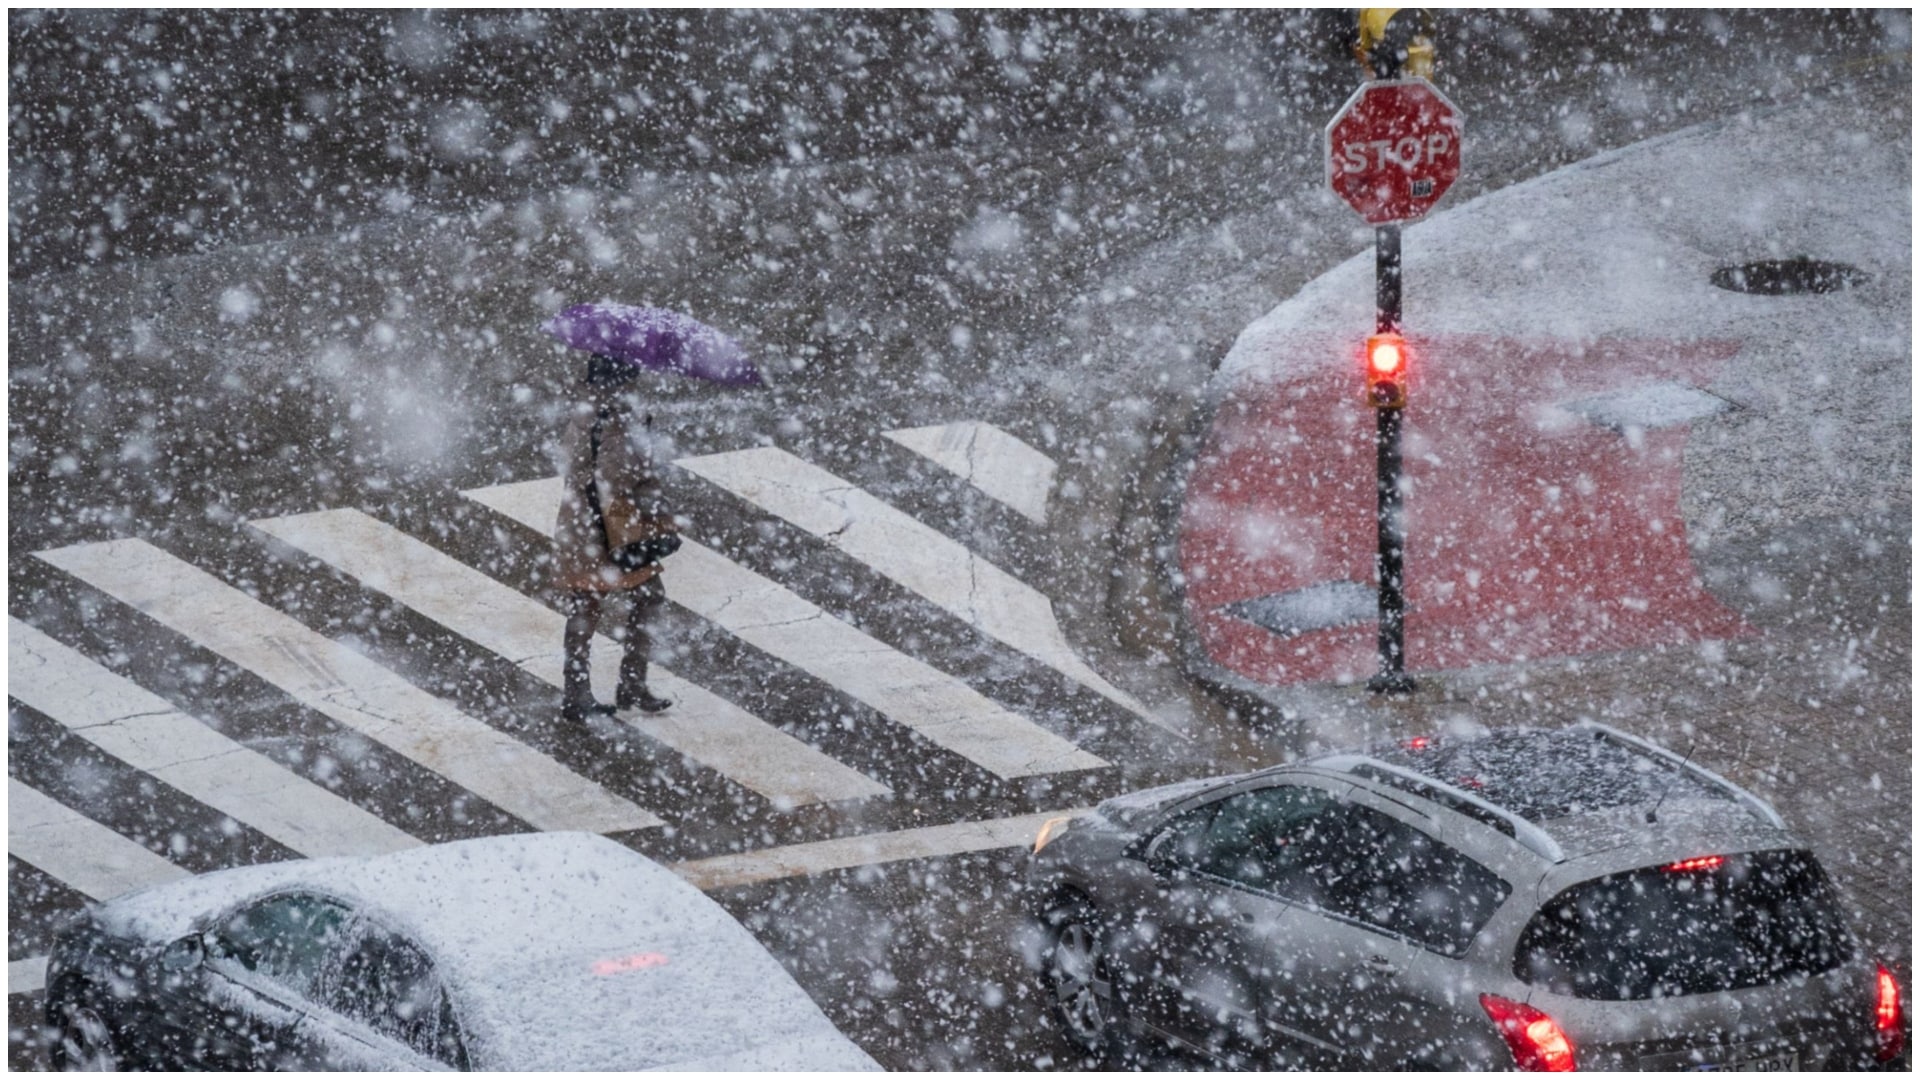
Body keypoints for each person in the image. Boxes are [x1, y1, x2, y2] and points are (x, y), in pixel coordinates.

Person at [554, 353, 674, 720]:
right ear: (621, 381)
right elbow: (616, 480)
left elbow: (577, 466)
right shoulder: (615, 421)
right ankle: (626, 684)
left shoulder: (586, 412)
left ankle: (582, 690)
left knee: (587, 604)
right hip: (609, 525)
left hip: (581, 522)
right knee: (646, 598)